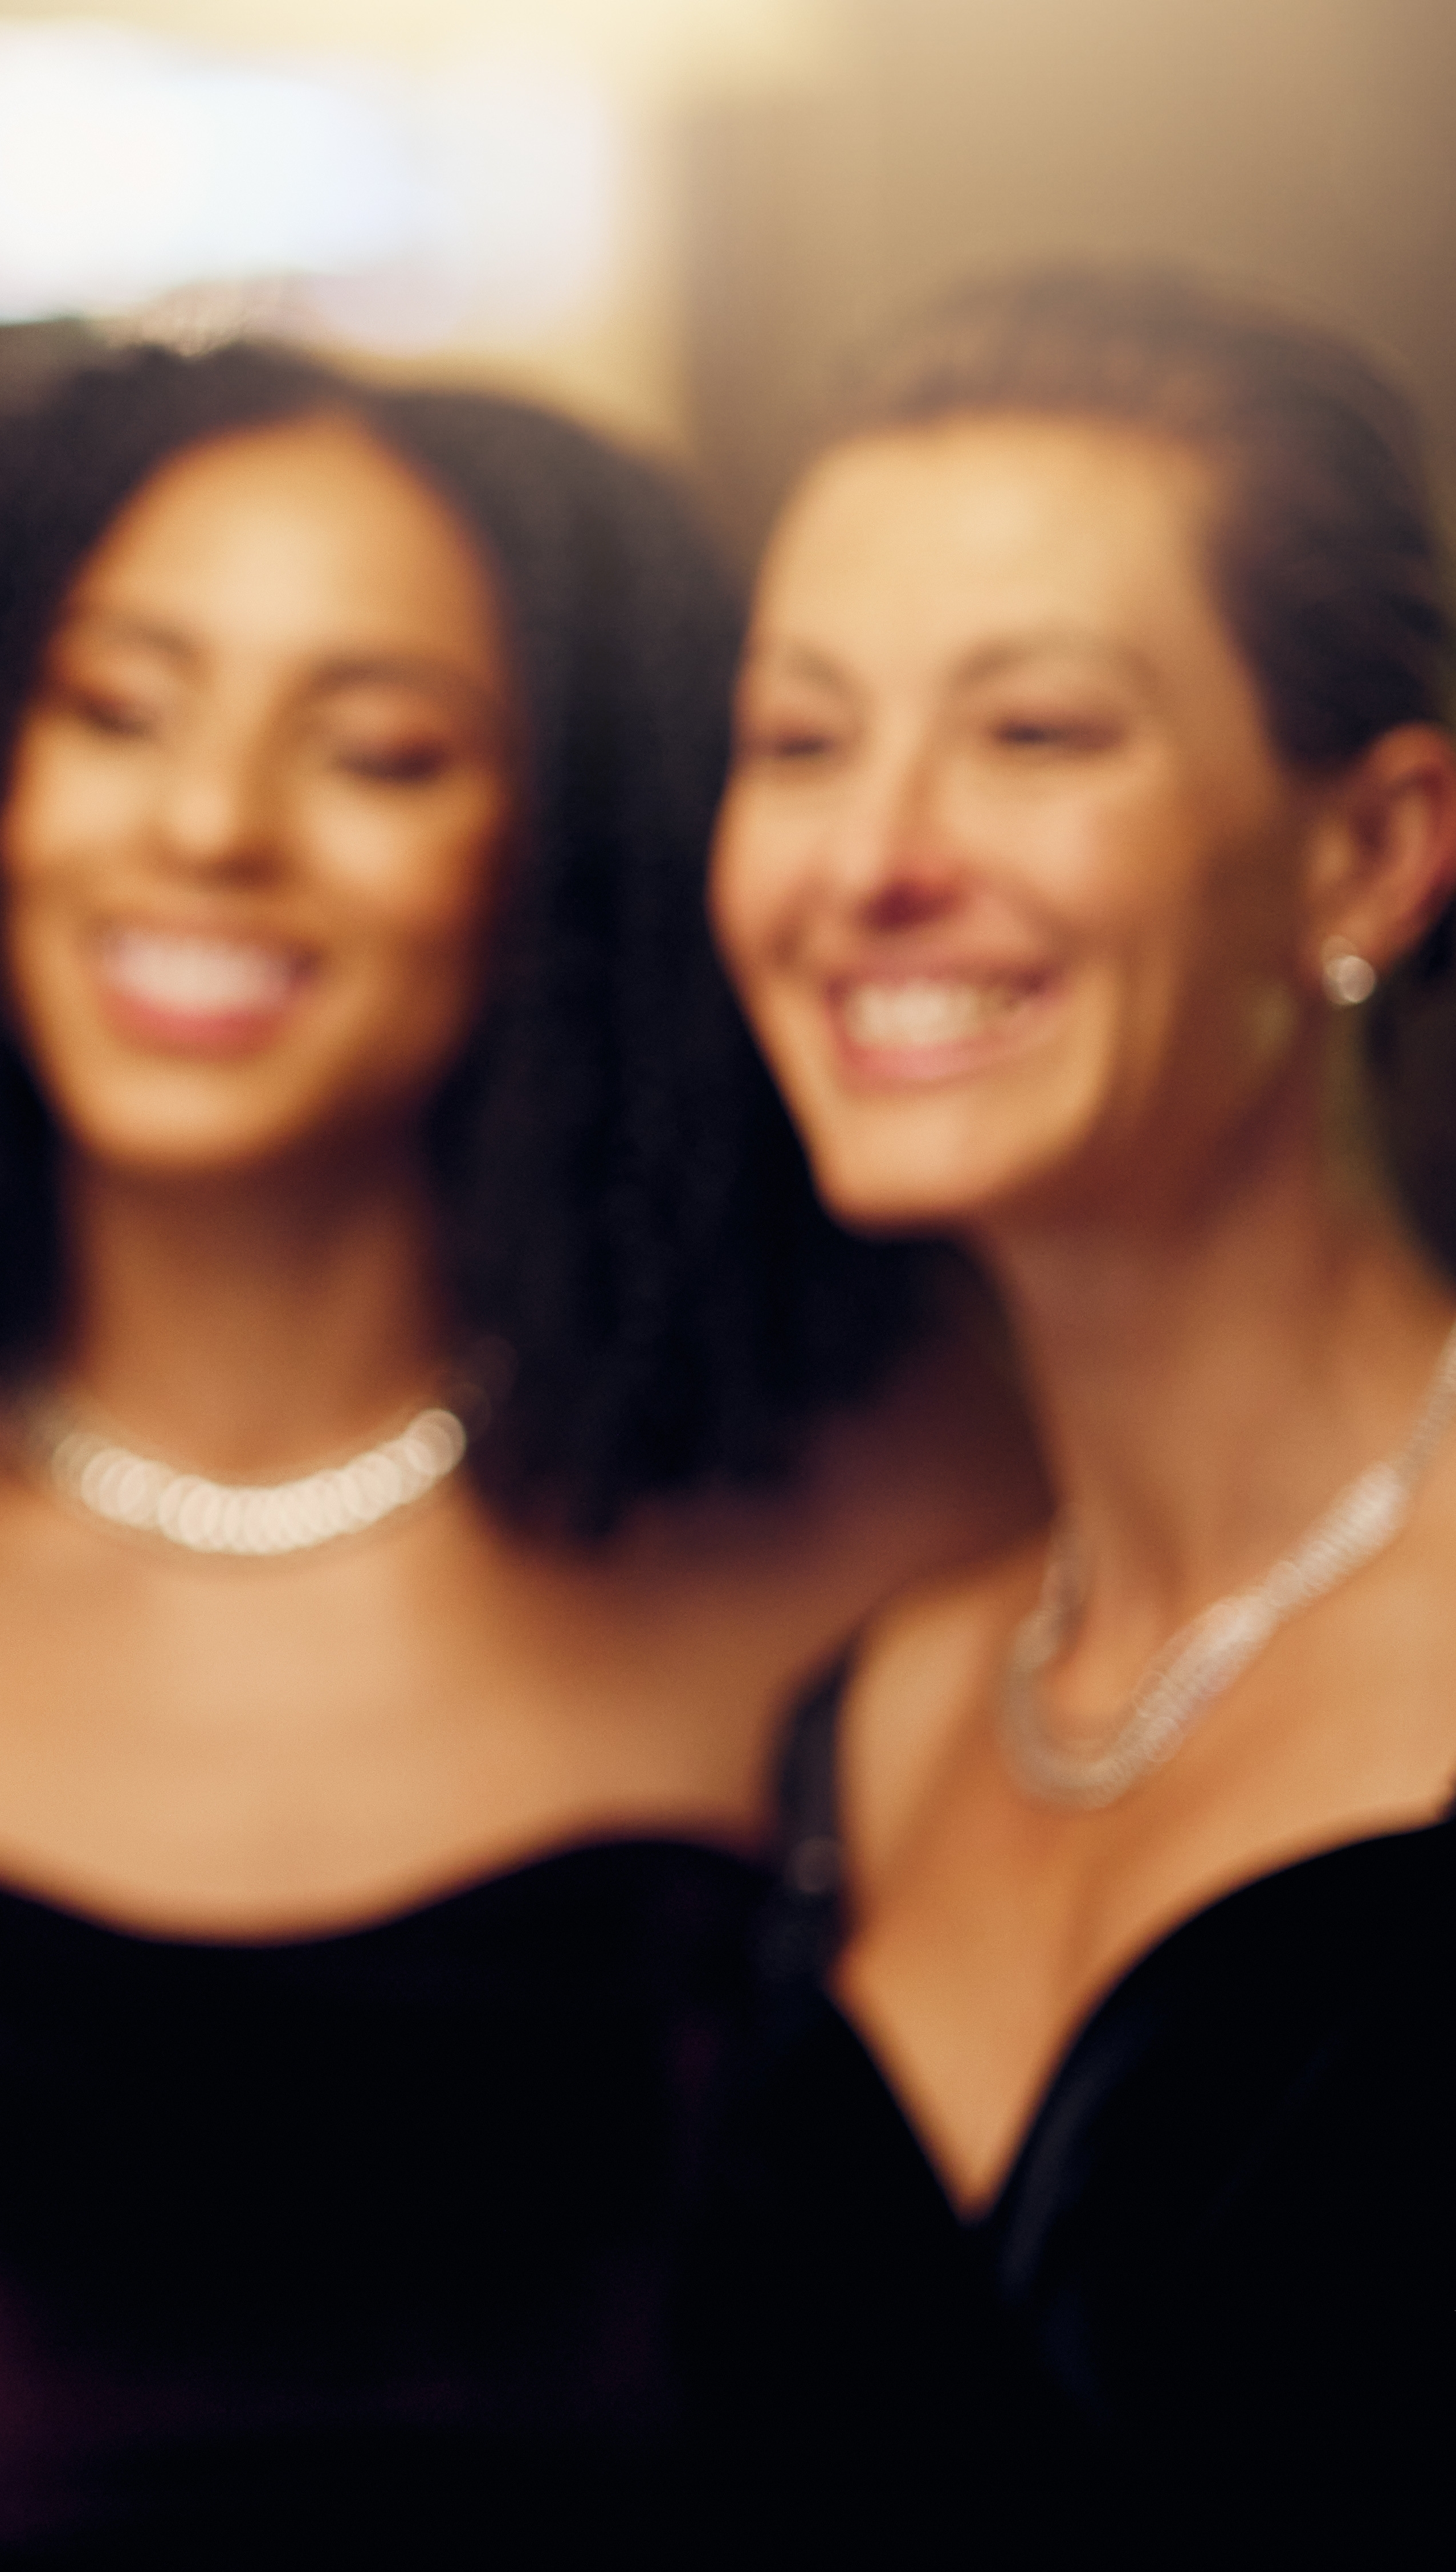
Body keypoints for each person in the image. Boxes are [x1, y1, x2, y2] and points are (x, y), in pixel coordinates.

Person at [0, 344, 1036, 2568]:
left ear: (562, 858)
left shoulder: (885, 1517)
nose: (203, 827)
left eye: (375, 750)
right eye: (112, 711)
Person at [686, 270, 1456, 2557]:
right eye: (799, 743)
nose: (870, 861)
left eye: (1031, 734)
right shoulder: (868, 1727)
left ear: (1369, 853)